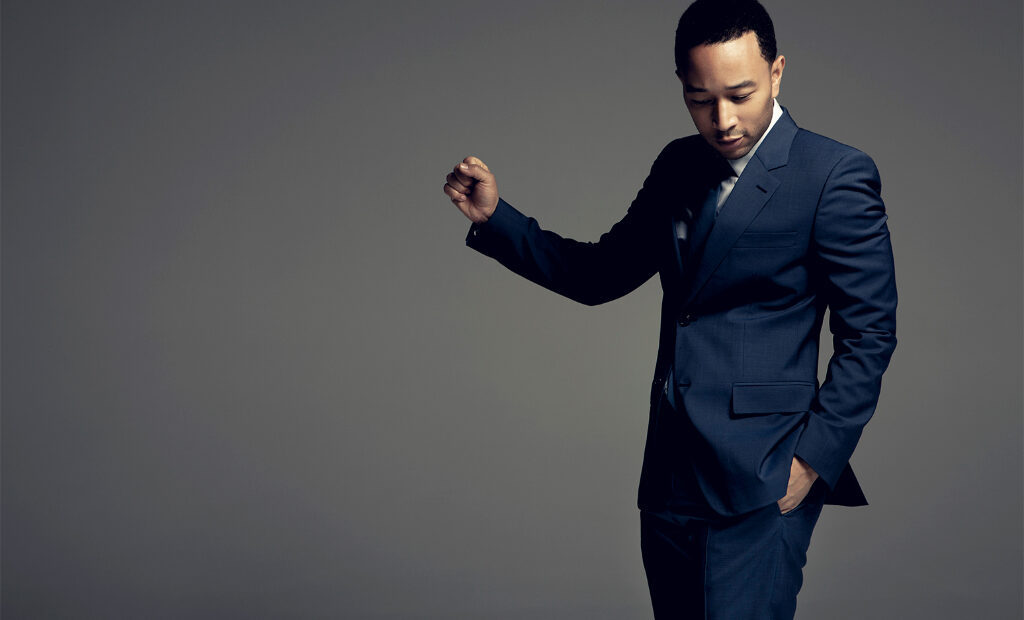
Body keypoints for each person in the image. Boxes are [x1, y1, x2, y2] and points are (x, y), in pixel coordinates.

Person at [441, 0, 897, 616]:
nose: (723, 119)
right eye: (700, 99)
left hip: (761, 477)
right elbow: (599, 273)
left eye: (741, 95)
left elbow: (870, 333)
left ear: (777, 72)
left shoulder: (833, 174)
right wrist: (498, 219)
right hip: (670, 475)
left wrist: (812, 461)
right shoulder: (678, 163)